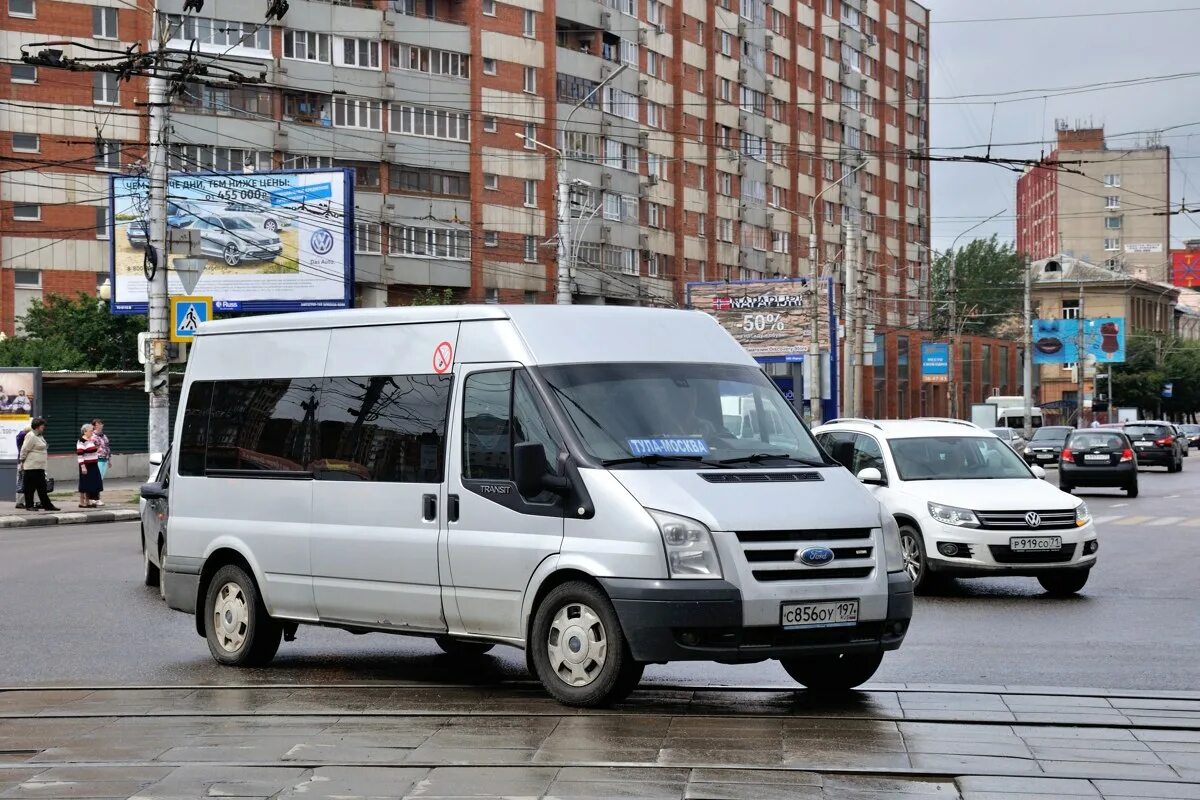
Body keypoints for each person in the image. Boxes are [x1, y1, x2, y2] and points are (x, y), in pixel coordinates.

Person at [18, 418, 58, 512]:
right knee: (30, 488)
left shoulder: (39, 436)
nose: (44, 427)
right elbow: (24, 449)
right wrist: (22, 461)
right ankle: (29, 505)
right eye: (42, 425)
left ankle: (47, 505)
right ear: (37, 426)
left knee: (42, 487)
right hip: (32, 466)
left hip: (39, 466)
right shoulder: (31, 435)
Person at [77, 423, 104, 508]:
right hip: (86, 465)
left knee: (92, 483)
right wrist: (82, 466)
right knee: (84, 484)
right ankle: (82, 502)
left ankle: (88, 501)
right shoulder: (81, 441)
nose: (92, 432)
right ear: (85, 432)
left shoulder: (90, 440)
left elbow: (92, 450)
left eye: (92, 431)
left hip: (93, 465)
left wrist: (97, 449)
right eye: (90, 431)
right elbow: (80, 455)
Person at [14, 425, 29, 509]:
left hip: (25, 462)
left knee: (25, 482)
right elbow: (21, 435)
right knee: (21, 482)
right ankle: (19, 502)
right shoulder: (21, 437)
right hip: (22, 463)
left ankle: (22, 502)